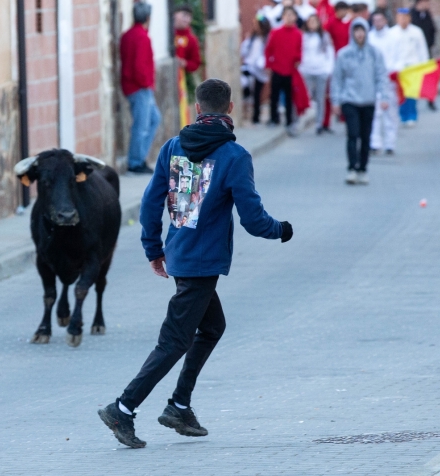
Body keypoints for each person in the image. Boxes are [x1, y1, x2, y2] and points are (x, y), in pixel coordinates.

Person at [97, 79, 293, 449]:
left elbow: (151, 203)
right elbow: (253, 220)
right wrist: (280, 230)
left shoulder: (172, 147)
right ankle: (123, 408)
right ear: (230, 109)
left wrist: (153, 248)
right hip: (202, 265)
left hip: (180, 255)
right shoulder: (235, 157)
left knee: (212, 327)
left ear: (198, 109)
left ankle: (179, 405)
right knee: (174, 341)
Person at [331, 18, 388, 185]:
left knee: (365, 136)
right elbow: (337, 79)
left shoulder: (374, 53)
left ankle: (363, 168)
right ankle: (352, 168)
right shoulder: (344, 54)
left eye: (362, 30)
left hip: (368, 100)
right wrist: (336, 100)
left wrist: (383, 96)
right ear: (352, 33)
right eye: (356, 30)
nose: (359, 34)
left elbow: (380, 76)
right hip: (350, 100)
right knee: (353, 134)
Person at [120, 2, 161, 174]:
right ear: (148, 18)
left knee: (153, 120)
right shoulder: (142, 37)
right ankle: (135, 162)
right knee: (142, 125)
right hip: (140, 88)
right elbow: (139, 66)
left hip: (133, 86)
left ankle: (139, 158)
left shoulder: (127, 35)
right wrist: (146, 83)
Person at [265, 6, 303, 135]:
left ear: (295, 17)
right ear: (283, 17)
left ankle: (289, 121)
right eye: (287, 15)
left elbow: (299, 51)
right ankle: (273, 118)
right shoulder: (275, 32)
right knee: (274, 96)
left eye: (292, 15)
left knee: (289, 97)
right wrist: (268, 65)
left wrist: (298, 60)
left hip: (290, 70)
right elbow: (268, 50)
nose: (289, 17)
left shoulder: (298, 34)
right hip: (277, 68)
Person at [391, 8, 429, 126]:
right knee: (401, 93)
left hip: (413, 66)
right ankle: (403, 116)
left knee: (412, 92)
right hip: (399, 67)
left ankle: (412, 115)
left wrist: (425, 65)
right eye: (400, 17)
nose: (403, 19)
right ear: (397, 18)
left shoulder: (417, 32)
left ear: (409, 18)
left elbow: (422, 50)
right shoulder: (391, 33)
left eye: (405, 17)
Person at [369, 11, 400, 155]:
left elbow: (399, 56)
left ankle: (390, 143)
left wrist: (395, 70)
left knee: (390, 112)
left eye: (380, 20)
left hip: (390, 78)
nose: (378, 23)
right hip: (374, 80)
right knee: (375, 112)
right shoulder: (370, 38)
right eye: (375, 20)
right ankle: (375, 143)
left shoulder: (393, 37)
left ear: (385, 21)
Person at [300, 14, 335, 134]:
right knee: (307, 96)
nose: (313, 24)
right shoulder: (303, 36)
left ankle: (319, 123)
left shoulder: (324, 36)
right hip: (307, 70)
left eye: (315, 21)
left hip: (321, 70)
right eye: (310, 21)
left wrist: (328, 70)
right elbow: (300, 52)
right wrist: (302, 68)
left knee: (320, 98)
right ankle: (303, 120)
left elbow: (330, 53)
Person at [323, 1, 352, 131]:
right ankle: (326, 121)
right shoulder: (330, 23)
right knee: (332, 91)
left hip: (347, 61)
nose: (344, 13)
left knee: (347, 89)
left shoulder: (349, 24)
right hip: (333, 61)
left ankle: (344, 115)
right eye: (342, 10)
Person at [241, 15, 272, 124]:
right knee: (247, 88)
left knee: (257, 93)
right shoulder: (252, 38)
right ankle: (248, 113)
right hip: (249, 67)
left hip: (260, 69)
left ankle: (256, 116)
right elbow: (244, 50)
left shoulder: (268, 38)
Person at [411, 0, 438, 110]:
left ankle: (431, 100)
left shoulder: (427, 14)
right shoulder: (411, 15)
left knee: (429, 77)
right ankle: (413, 102)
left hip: (427, 50)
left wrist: (430, 43)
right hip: (414, 53)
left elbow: (433, 30)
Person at [174, 4, 202, 75]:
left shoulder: (192, 39)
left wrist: (184, 63)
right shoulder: (167, 33)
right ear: (175, 15)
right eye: (184, 15)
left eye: (189, 17)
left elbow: (196, 63)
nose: (187, 19)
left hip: (180, 80)